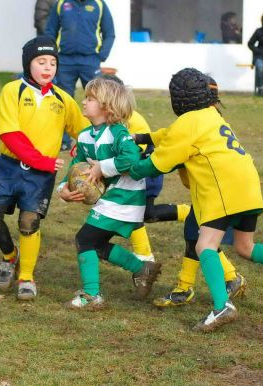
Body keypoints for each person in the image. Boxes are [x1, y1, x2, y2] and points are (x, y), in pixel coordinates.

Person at [130, 68, 263, 332]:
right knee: (246, 247)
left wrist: (124, 166)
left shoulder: (188, 123)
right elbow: (168, 134)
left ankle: (222, 306)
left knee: (204, 245)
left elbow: (155, 165)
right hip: (248, 185)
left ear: (178, 99)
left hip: (223, 188)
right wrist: (142, 137)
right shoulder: (211, 115)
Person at [0, 36, 89, 300]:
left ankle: (26, 276)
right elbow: (10, 134)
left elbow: (84, 130)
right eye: (41, 61)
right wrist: (41, 160)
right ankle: (10, 256)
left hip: (40, 175)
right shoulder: (12, 90)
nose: (48, 67)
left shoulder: (63, 99)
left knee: (29, 222)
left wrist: (81, 146)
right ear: (28, 63)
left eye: (52, 62)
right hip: (9, 167)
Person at [57, 77, 161, 309]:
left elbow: (131, 158)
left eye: (91, 99)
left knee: (84, 239)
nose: (84, 102)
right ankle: (141, 268)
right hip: (112, 198)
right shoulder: (85, 135)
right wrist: (63, 188)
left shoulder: (118, 133)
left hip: (126, 197)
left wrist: (102, 168)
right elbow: (77, 164)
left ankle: (92, 295)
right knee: (97, 244)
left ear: (107, 106)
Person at [45, 0, 115, 151]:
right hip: (64, 61)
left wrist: (101, 56)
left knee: (98, 101)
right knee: (61, 101)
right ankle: (63, 141)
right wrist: (53, 54)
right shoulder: (61, 4)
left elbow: (110, 33)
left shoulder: (99, 5)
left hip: (90, 60)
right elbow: (50, 31)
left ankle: (100, 139)